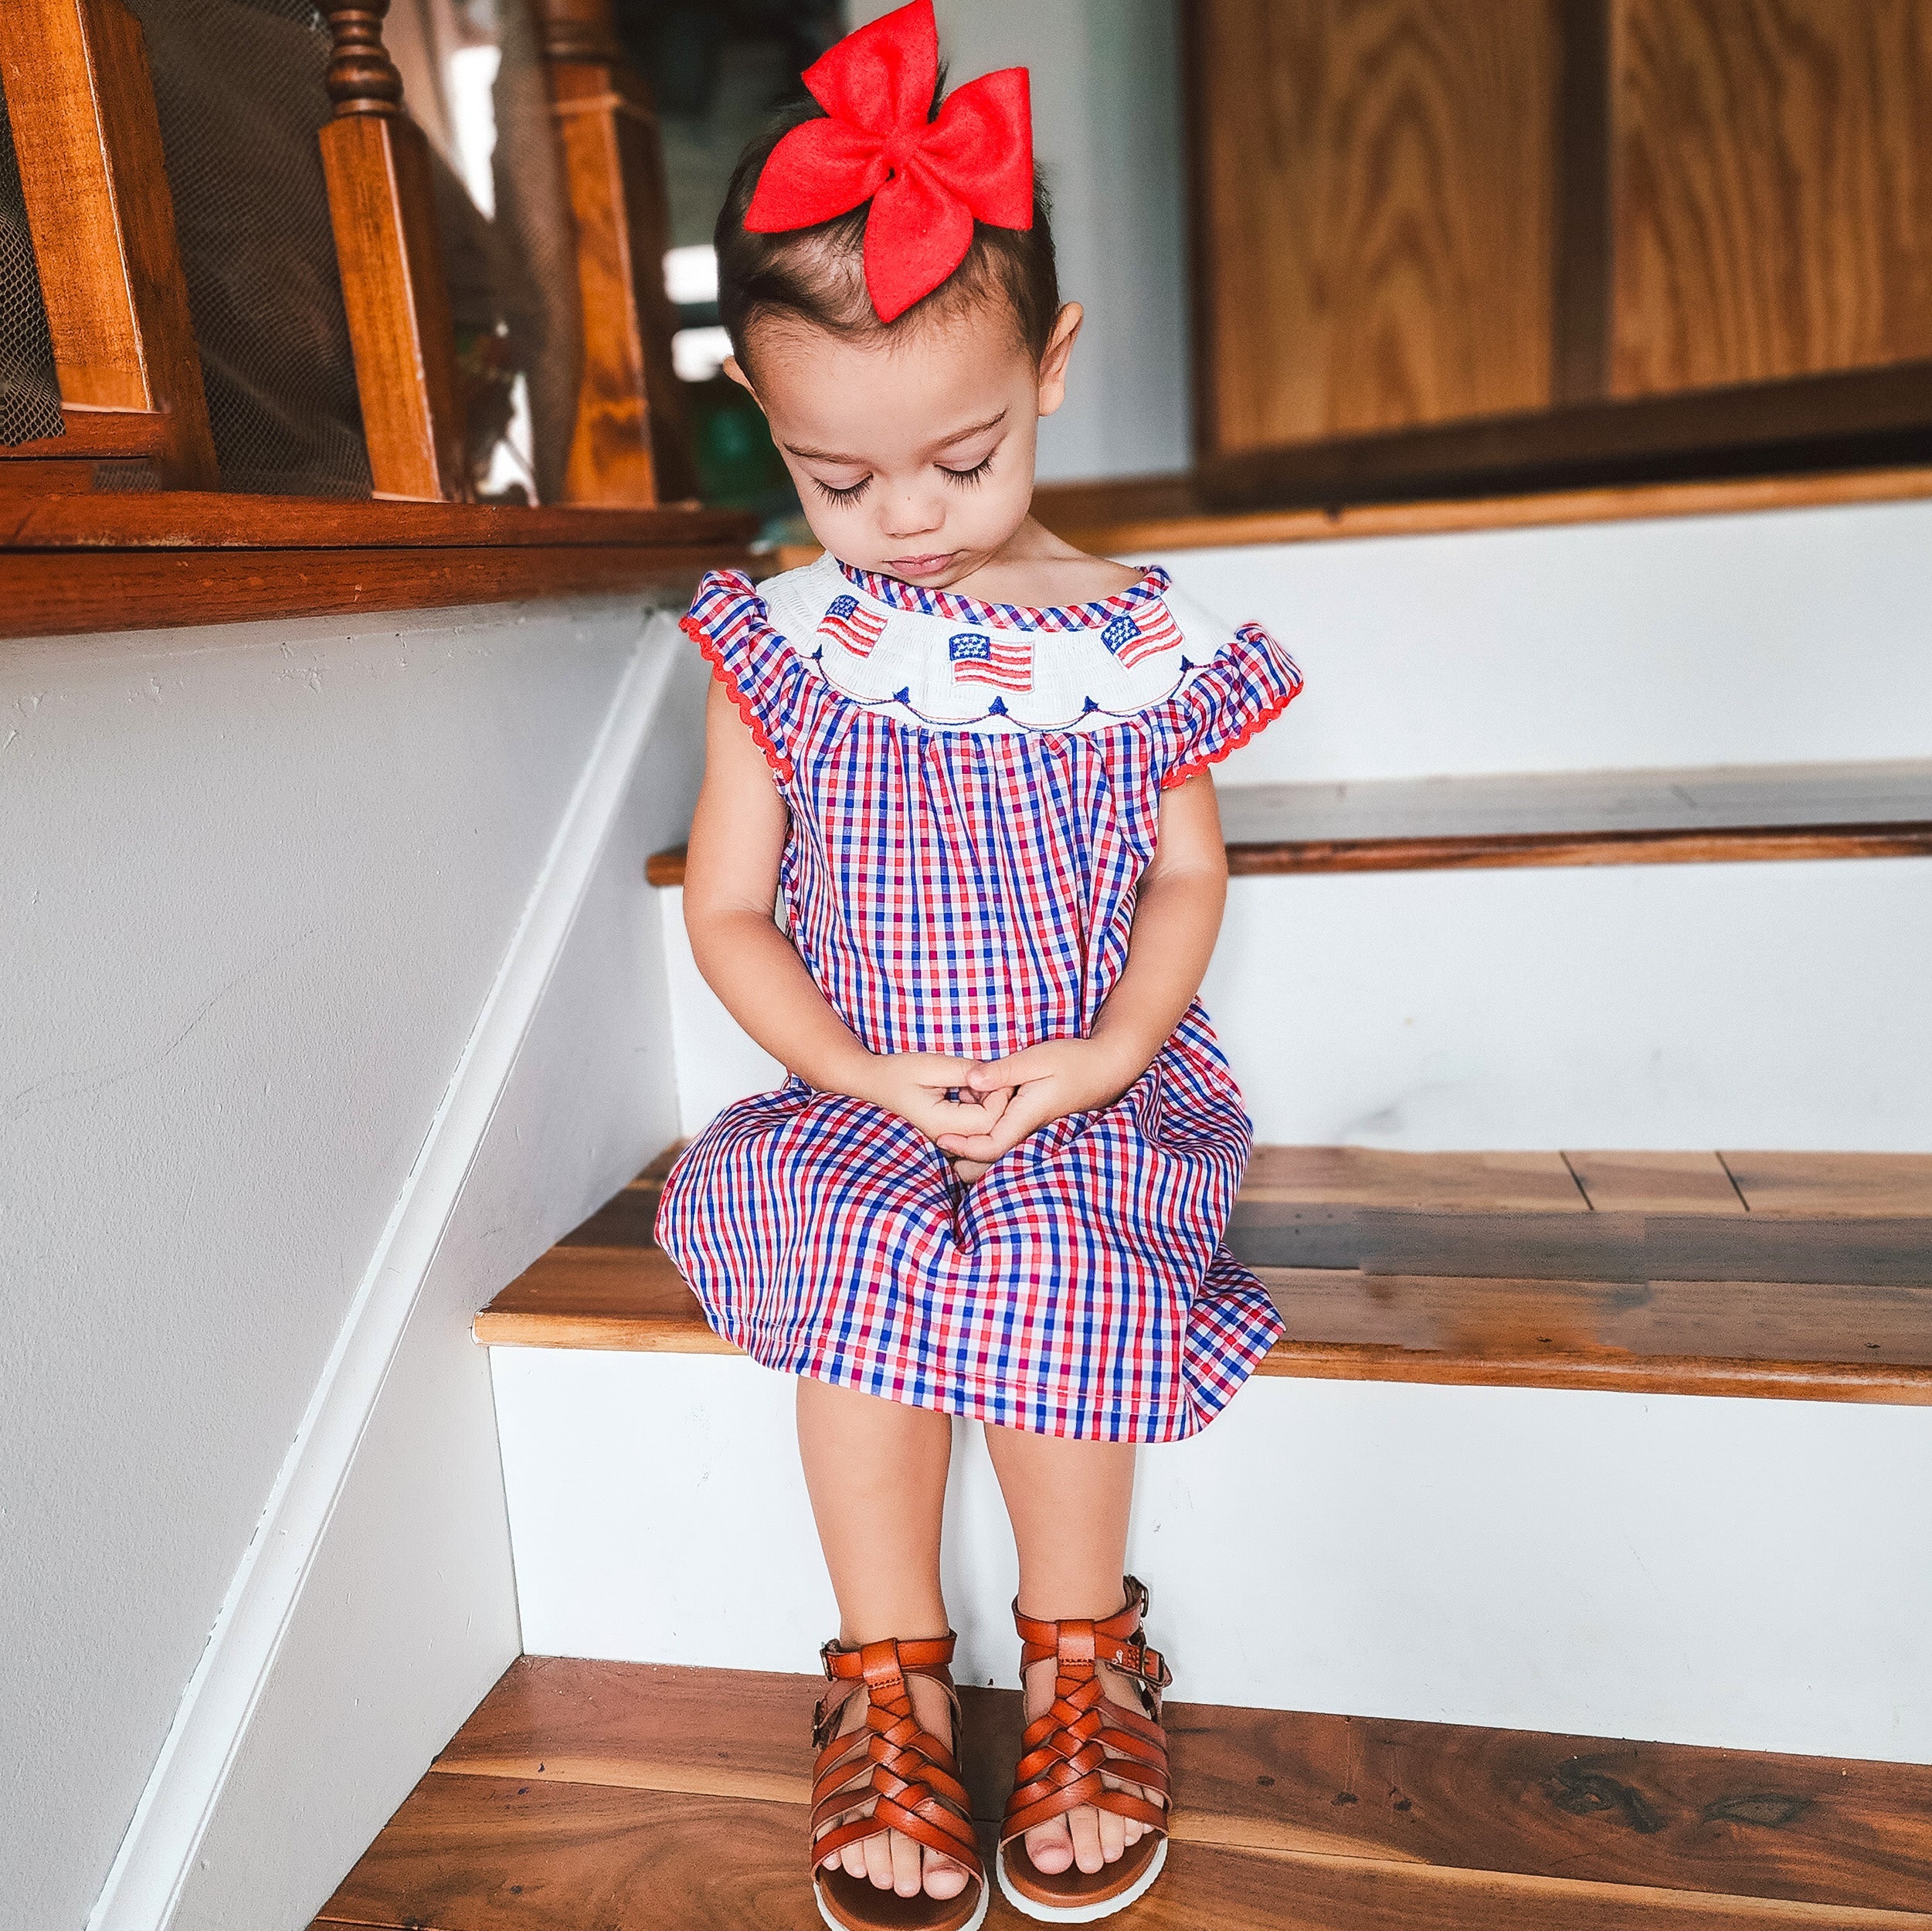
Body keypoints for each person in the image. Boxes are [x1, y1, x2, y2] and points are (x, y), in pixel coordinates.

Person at [654, 6, 1302, 1924]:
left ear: (1054, 370)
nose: (909, 520)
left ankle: (1086, 1649)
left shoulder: (1134, 638)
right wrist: (850, 1073)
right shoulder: (784, 646)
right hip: (860, 1080)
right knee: (861, 1246)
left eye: (963, 455)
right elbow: (727, 907)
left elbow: (1184, 879)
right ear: (776, 437)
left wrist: (1107, 1050)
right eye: (840, 481)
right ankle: (889, 1675)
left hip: (1083, 1080)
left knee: (1058, 1244)